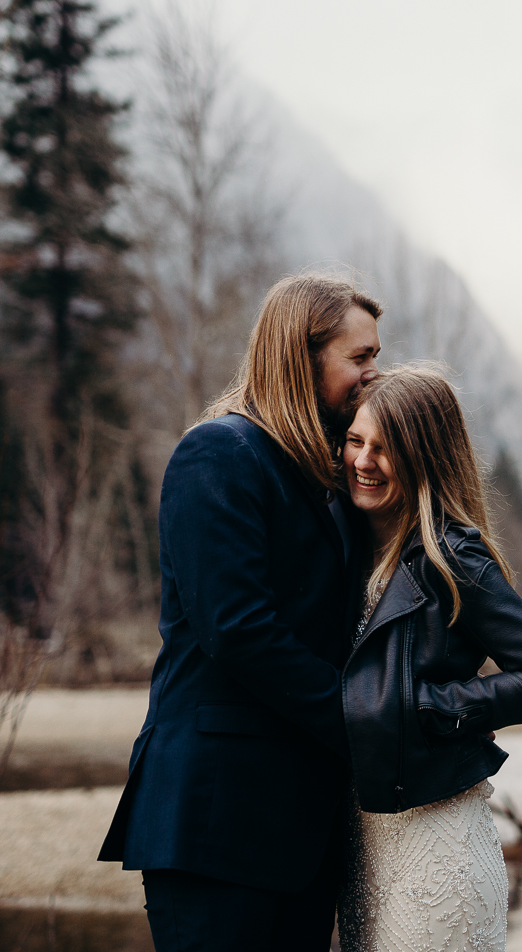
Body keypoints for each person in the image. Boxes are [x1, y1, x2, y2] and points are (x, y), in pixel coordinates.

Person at [97, 274, 382, 952]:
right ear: (301, 356)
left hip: (300, 831)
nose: (376, 373)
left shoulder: (327, 477)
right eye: (360, 357)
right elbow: (238, 631)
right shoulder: (219, 455)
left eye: (376, 356)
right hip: (216, 821)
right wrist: (371, 723)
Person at [336, 366, 522, 952]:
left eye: (386, 448)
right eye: (355, 441)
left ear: (424, 457)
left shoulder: (451, 552)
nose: (364, 461)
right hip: (365, 855)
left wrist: (429, 708)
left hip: (437, 854)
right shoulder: (348, 547)